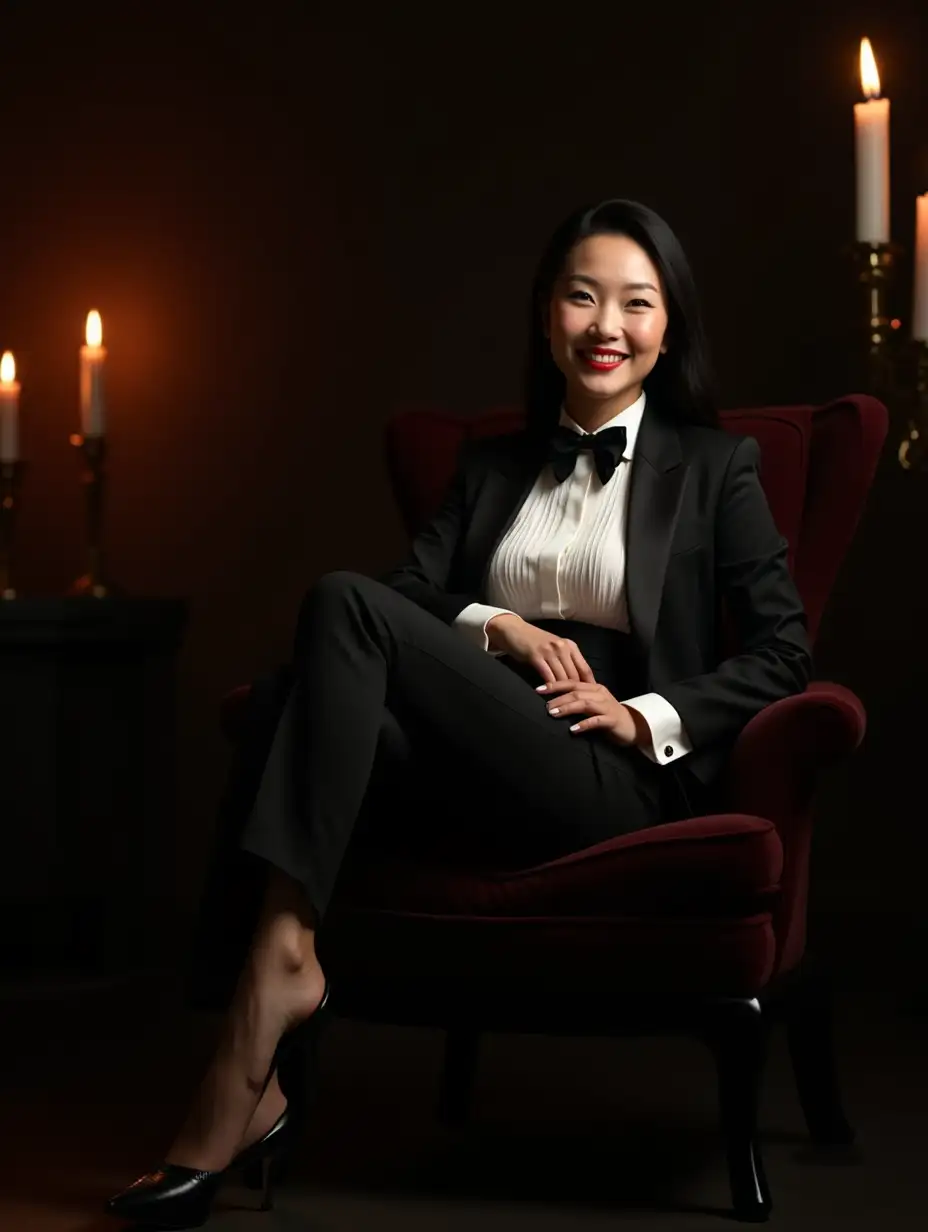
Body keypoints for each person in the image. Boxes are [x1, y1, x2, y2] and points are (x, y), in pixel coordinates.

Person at [104, 198, 811, 1225]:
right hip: (465, 766)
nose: (605, 324)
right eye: (581, 295)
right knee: (323, 667)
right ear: (543, 316)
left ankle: (262, 992)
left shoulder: (714, 468)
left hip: (604, 777)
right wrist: (503, 629)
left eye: (635, 302)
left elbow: (787, 653)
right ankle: (275, 981)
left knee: (329, 623)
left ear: (669, 328)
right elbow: (406, 598)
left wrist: (643, 712)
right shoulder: (488, 469)